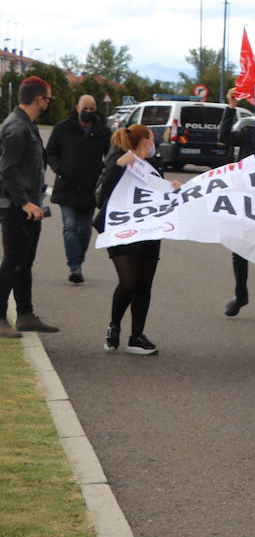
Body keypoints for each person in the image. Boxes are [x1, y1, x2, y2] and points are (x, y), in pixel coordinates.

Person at [94, 124, 180, 354]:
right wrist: (118, 168)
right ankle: (114, 326)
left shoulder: (153, 165)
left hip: (149, 230)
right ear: (144, 142)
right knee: (129, 281)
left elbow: (156, 195)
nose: (155, 145)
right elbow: (102, 197)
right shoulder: (119, 160)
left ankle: (136, 336)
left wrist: (171, 189)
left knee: (144, 284)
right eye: (152, 140)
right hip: (122, 229)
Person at [0, 76, 58, 337]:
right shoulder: (16, 128)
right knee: (13, 261)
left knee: (25, 262)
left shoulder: (28, 126)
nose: (49, 103)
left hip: (30, 205)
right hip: (15, 206)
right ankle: (0, 318)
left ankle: (25, 314)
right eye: (48, 98)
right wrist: (23, 202)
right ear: (39, 99)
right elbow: (7, 169)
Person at [219, 95, 255, 323]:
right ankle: (241, 295)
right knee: (240, 250)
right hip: (247, 201)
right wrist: (231, 107)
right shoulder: (249, 133)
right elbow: (224, 137)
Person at [44, 94, 111, 284]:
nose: (88, 112)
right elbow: (50, 152)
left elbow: (111, 156)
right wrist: (59, 168)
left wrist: (105, 175)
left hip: (91, 188)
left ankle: (78, 260)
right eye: (85, 108)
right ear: (77, 107)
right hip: (67, 187)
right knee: (70, 226)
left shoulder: (103, 131)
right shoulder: (62, 128)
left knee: (84, 230)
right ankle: (75, 266)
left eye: (92, 108)